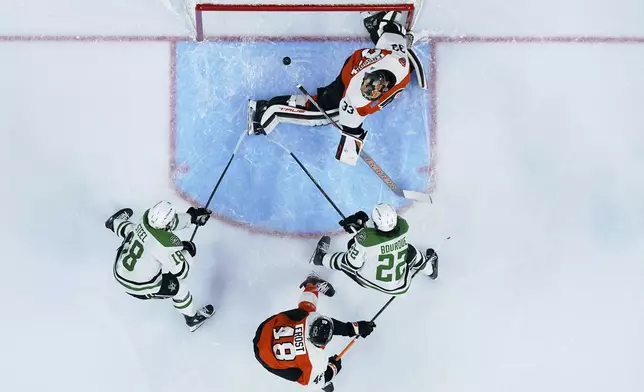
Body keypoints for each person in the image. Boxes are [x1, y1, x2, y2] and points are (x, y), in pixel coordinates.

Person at [247, 10, 427, 165]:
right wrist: (351, 143)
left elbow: (390, 34)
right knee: (320, 114)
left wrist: (388, 28)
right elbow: (349, 139)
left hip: (360, 63)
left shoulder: (398, 61)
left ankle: (374, 24)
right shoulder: (357, 99)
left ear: (385, 85)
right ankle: (267, 112)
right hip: (351, 74)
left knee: (321, 103)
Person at [104, 201, 215, 332]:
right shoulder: (165, 245)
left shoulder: (146, 218)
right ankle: (192, 318)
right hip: (138, 286)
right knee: (179, 287)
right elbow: (182, 271)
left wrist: (190, 218)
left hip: (120, 271)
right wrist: (188, 253)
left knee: (132, 231)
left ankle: (115, 223)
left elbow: (167, 225)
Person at [253, 275, 376, 391]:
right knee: (301, 376)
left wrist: (353, 329)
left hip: (266, 329)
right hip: (266, 358)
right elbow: (314, 382)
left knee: (304, 312)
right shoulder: (315, 359)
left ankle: (312, 285)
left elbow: (330, 325)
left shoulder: (308, 321)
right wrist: (331, 369)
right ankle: (312, 283)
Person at [310, 203, 438, 295]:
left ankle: (320, 258)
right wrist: (363, 226)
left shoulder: (366, 242)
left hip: (375, 282)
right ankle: (431, 271)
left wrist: (358, 234)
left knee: (348, 260)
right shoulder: (403, 227)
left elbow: (352, 264)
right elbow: (383, 233)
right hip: (403, 283)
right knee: (411, 251)